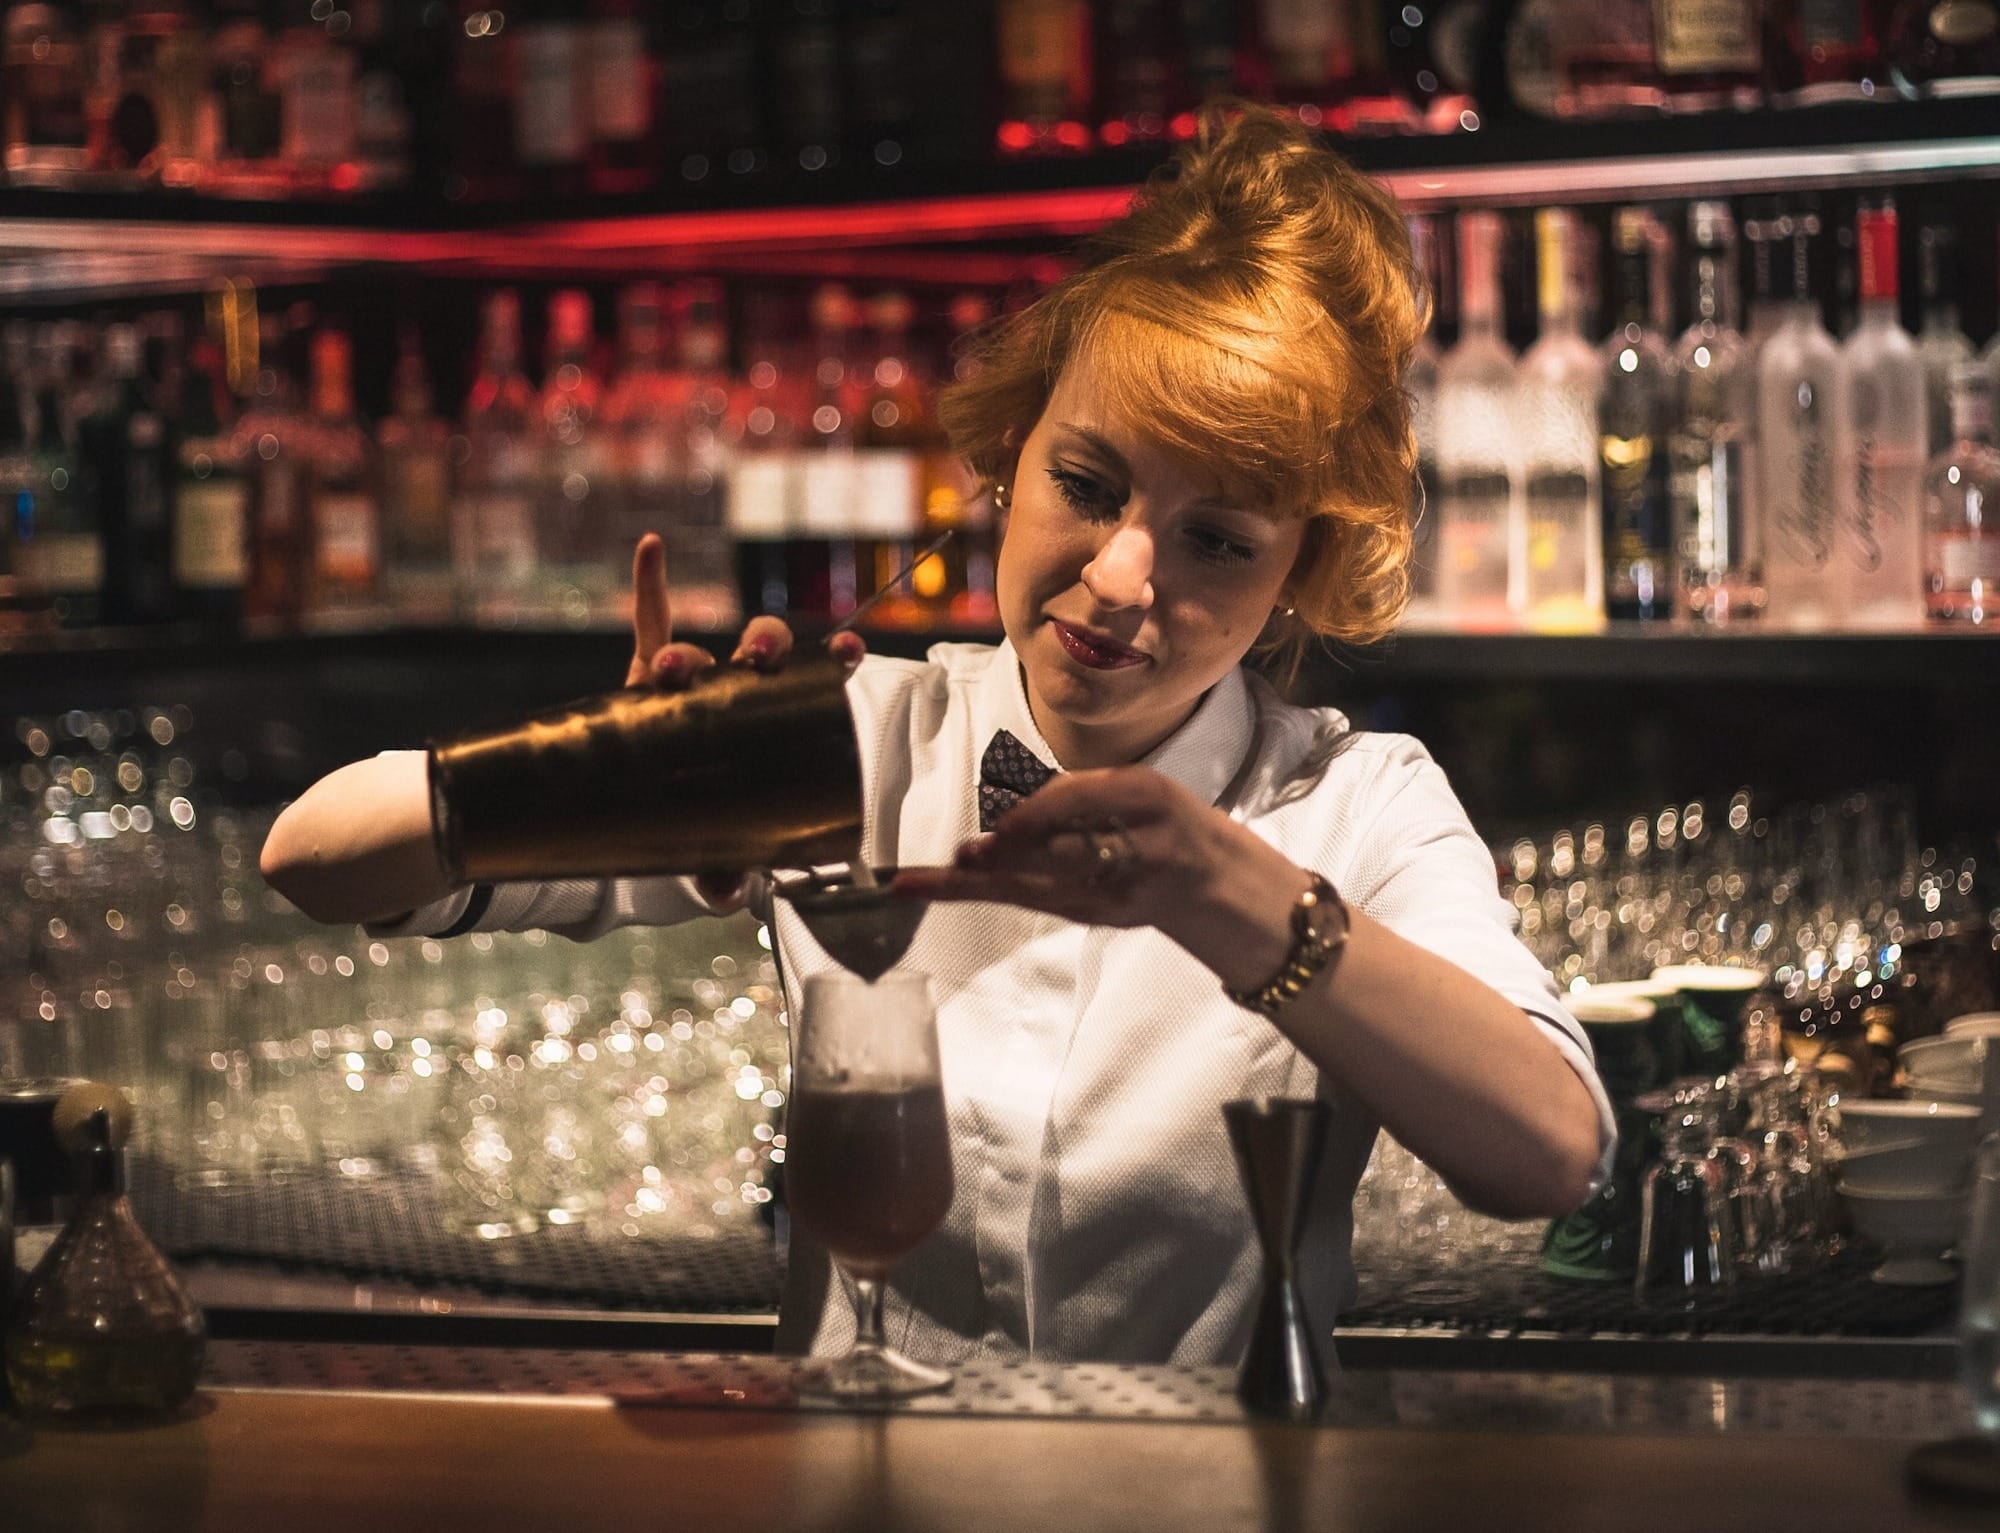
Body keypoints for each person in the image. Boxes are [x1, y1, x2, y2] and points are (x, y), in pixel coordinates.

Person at [261, 106, 1612, 1367]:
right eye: (1086, 484)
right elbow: (311, 856)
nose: (1126, 575)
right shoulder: (860, 738)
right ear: (1009, 456)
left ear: (1296, 572)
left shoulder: (1354, 806)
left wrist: (1230, 893)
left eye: (1217, 539)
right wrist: (611, 775)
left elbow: (1550, 1152)